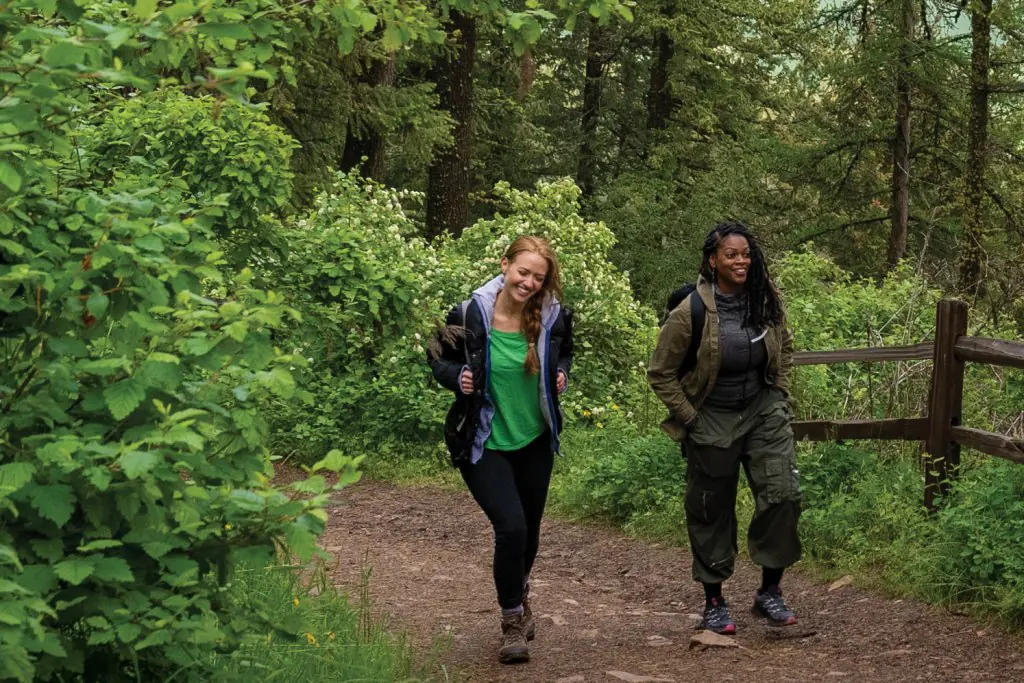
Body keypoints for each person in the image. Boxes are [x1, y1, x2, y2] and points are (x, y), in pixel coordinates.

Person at [647, 221, 801, 635]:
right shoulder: (690, 312)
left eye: (746, 254)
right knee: (710, 507)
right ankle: (714, 602)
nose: (741, 261)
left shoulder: (766, 301)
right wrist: (691, 418)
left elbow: (784, 347)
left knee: (782, 492)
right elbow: (660, 373)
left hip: (763, 408)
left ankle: (770, 591)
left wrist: (780, 394)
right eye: (731, 255)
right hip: (711, 414)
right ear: (713, 260)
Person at [427, 235, 573, 664]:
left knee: (528, 532)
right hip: (483, 439)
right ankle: (512, 619)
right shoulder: (469, 313)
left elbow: (565, 352)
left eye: (538, 278)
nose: (528, 282)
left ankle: (519, 592)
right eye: (522, 272)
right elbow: (436, 354)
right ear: (505, 265)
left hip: (534, 439)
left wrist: (561, 372)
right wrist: (456, 377)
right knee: (510, 527)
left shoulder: (551, 317)